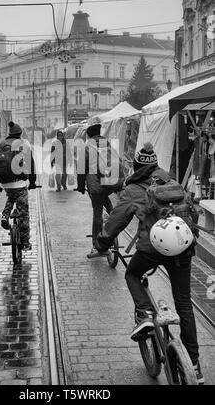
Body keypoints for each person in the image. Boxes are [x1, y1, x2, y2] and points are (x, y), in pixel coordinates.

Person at [95, 142, 204, 384]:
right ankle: (195, 365)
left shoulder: (133, 189)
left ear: (136, 166)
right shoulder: (170, 180)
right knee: (184, 304)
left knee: (132, 274)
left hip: (152, 248)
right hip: (182, 248)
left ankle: (144, 314)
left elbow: (116, 221)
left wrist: (102, 244)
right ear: (155, 164)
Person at [76, 123, 124, 251]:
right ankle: (113, 228)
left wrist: (80, 187)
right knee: (107, 204)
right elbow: (119, 163)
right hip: (110, 183)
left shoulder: (87, 148)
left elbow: (81, 170)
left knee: (97, 213)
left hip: (95, 185)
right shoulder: (108, 145)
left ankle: (97, 242)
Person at [0, 121, 36, 251]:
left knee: (11, 196)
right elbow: (31, 165)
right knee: (24, 213)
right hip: (19, 183)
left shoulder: (0, 145)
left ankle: (5, 215)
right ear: (19, 134)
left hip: (5, 183)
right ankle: (25, 242)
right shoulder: (23, 145)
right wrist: (32, 182)